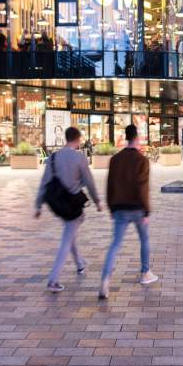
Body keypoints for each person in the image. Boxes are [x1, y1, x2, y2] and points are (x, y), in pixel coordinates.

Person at [35, 127, 102, 293]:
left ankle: (79, 263)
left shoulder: (53, 157)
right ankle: (53, 280)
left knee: (69, 232)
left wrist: (38, 205)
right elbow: (89, 181)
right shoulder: (79, 157)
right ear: (78, 140)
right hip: (72, 205)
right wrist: (97, 201)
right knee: (67, 238)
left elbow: (44, 182)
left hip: (58, 204)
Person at [99, 124, 158, 299]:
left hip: (119, 208)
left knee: (115, 244)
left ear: (125, 137)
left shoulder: (115, 159)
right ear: (137, 138)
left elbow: (109, 185)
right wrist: (146, 211)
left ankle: (105, 279)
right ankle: (145, 273)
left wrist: (111, 207)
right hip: (138, 208)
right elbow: (143, 187)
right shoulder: (142, 160)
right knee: (144, 239)